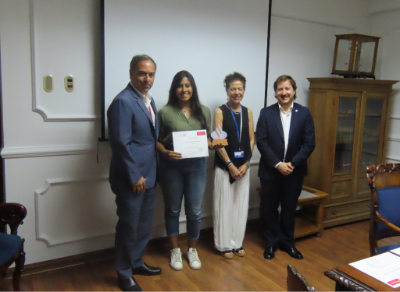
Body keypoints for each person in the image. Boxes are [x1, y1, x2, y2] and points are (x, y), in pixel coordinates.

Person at [107, 54, 161, 292]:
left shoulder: (149, 100)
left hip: (149, 175)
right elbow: (121, 143)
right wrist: (135, 175)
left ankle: (136, 262)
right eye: (141, 73)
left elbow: (148, 140)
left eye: (150, 74)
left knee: (143, 225)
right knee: (129, 227)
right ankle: (124, 272)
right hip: (133, 179)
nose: (147, 79)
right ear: (131, 74)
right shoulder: (123, 101)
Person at [157, 70, 215, 271]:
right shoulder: (164, 112)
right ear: (174, 89)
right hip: (171, 167)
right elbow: (156, 141)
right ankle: (175, 251)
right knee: (173, 210)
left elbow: (207, 138)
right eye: (180, 86)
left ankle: (192, 250)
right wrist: (165, 152)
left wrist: (211, 144)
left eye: (188, 85)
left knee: (194, 211)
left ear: (193, 88)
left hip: (196, 167)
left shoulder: (204, 111)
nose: (184, 89)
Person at [256, 75, 315, 261]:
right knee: (270, 209)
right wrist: (277, 164)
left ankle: (288, 242)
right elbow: (262, 142)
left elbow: (309, 143)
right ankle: (272, 242)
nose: (284, 93)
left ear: (294, 91)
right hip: (270, 172)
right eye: (280, 89)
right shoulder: (266, 113)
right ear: (275, 92)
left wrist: (292, 163)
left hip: (294, 172)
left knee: (289, 208)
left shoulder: (304, 113)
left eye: (287, 89)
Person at [213, 72, 255, 259]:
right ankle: (223, 245)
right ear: (227, 90)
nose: (236, 92)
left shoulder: (248, 112)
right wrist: (229, 164)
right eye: (233, 89)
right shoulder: (220, 111)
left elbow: (251, 139)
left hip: (243, 168)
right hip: (225, 168)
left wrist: (247, 163)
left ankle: (237, 242)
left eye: (240, 89)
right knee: (224, 206)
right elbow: (218, 141)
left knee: (240, 206)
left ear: (244, 90)